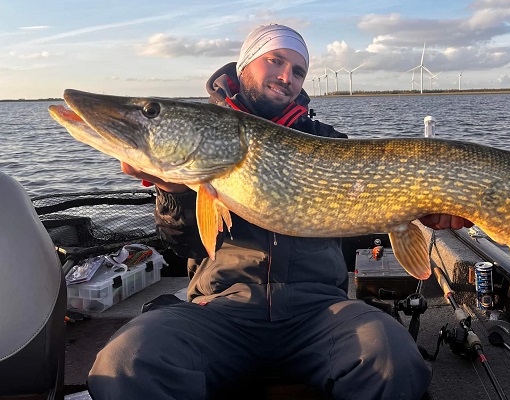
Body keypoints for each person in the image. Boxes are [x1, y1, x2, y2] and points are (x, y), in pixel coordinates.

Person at [88, 23, 472, 400]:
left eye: (298, 70)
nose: (286, 75)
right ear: (244, 66)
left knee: (393, 359)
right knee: (125, 362)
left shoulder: (329, 143)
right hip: (221, 308)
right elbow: (185, 244)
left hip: (321, 312)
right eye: (274, 61)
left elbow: (356, 228)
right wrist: (171, 191)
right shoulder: (209, 145)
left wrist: (417, 211)